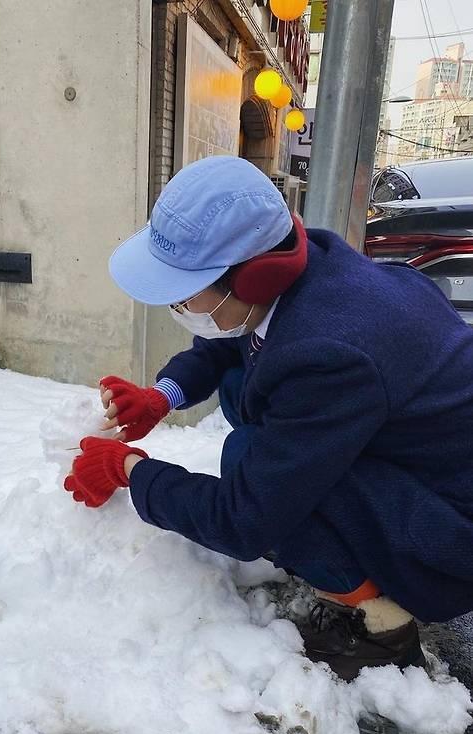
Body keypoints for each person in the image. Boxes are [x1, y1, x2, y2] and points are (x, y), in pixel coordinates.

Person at [63, 155, 473, 682]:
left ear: (255, 278)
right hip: (420, 460)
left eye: (187, 292)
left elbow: (243, 521)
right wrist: (162, 397)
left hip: (451, 528)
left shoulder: (329, 355)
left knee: (249, 464)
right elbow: (232, 344)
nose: (178, 307)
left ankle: (378, 629)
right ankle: (350, 549)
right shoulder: (308, 266)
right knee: (245, 399)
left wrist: (131, 472)